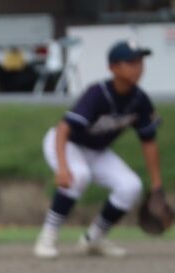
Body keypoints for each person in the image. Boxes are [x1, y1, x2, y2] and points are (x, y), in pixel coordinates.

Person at [34, 40, 163, 259]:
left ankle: (94, 239)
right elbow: (64, 128)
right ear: (113, 68)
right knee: (79, 175)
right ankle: (48, 236)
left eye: (140, 62)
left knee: (131, 186)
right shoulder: (98, 93)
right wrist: (63, 168)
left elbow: (148, 141)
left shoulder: (140, 100)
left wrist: (157, 184)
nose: (138, 67)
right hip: (64, 143)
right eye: (131, 62)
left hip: (95, 150)